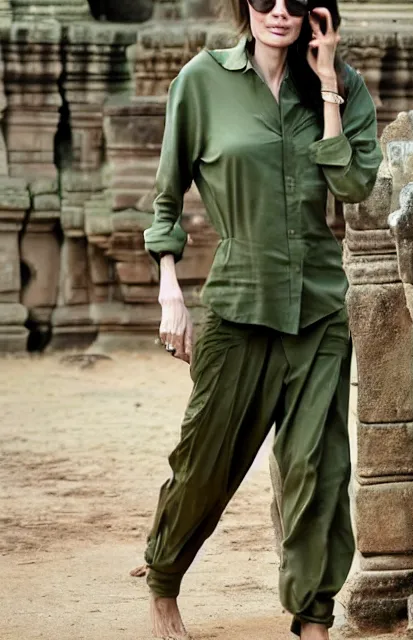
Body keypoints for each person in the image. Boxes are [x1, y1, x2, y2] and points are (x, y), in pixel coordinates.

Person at [142, 0, 382, 638]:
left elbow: (356, 185)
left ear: (317, 12)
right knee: (206, 463)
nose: (278, 11)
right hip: (239, 304)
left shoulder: (344, 86)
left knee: (318, 467)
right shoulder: (201, 81)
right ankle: (164, 581)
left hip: (320, 308)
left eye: (296, 1)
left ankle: (312, 618)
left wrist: (328, 83)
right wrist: (169, 288)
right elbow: (167, 197)